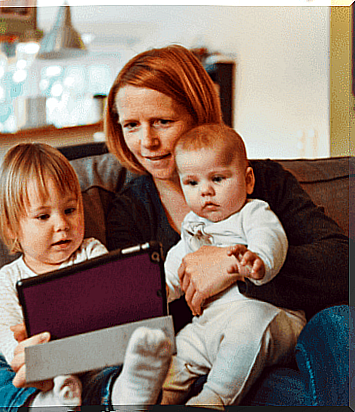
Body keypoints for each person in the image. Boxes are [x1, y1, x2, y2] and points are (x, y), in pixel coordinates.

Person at [103, 44, 349, 405]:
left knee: (342, 322)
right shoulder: (129, 211)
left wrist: (234, 265)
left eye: (162, 122)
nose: (147, 141)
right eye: (131, 125)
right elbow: (135, 311)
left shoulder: (263, 181)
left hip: (290, 338)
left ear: (198, 115)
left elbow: (342, 264)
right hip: (212, 363)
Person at [0, 142, 173, 410]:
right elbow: (10, 354)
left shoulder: (92, 253)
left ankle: (126, 395)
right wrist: (34, 361)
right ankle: (39, 405)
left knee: (128, 355)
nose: (61, 224)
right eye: (43, 216)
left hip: (93, 371)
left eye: (69, 210)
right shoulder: (3, 283)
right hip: (37, 382)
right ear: (12, 228)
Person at [159, 123, 306, 407]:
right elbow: (180, 262)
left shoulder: (252, 212)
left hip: (268, 317)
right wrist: (162, 289)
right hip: (210, 323)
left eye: (217, 178)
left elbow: (270, 237)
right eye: (192, 183)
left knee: (246, 328)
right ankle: (158, 395)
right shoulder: (193, 226)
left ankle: (213, 398)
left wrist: (258, 260)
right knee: (182, 347)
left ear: (247, 180)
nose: (206, 192)